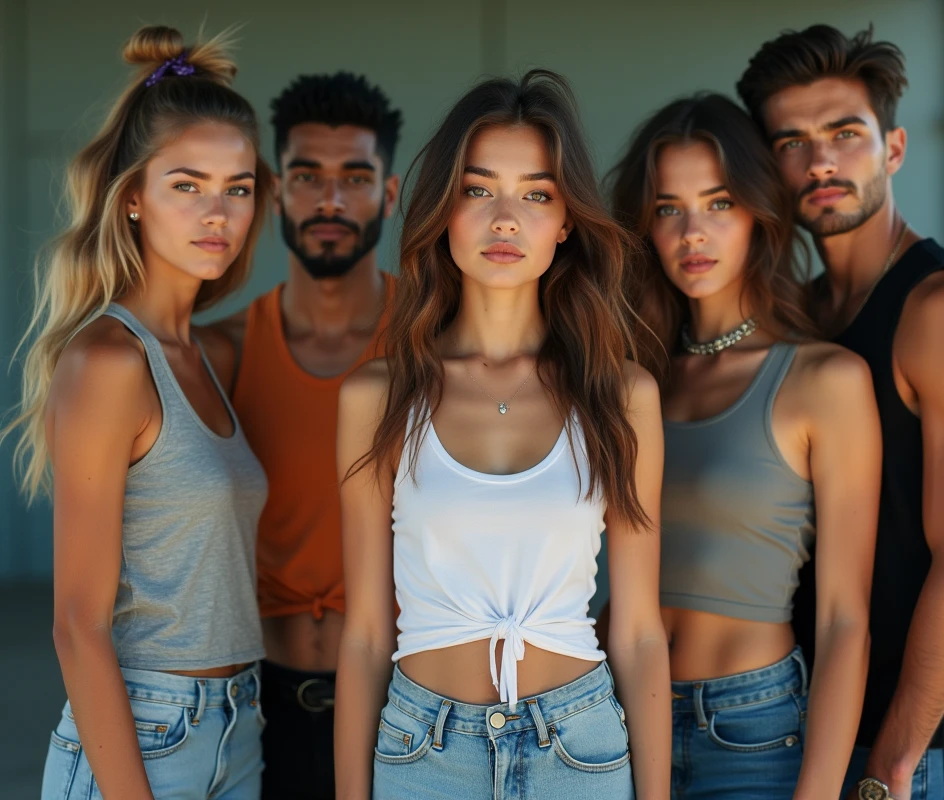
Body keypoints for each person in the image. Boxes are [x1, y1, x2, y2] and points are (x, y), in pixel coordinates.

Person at [333, 70, 671, 799]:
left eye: (537, 194)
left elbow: (640, 630)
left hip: (578, 748)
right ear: (443, 210)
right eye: (479, 189)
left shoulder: (621, 395)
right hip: (424, 752)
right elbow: (365, 631)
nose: (506, 218)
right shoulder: (378, 396)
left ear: (567, 219)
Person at [738, 25, 944, 800]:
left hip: (903, 743)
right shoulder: (804, 310)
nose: (820, 161)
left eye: (844, 134)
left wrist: (889, 769)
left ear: (892, 149)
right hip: (806, 717)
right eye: (791, 142)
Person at [2, 26, 273, 798]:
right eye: (186, 184)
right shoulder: (109, 363)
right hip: (146, 734)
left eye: (240, 186)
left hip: (238, 728)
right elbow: (76, 625)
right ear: (132, 199)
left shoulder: (208, 358)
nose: (216, 211)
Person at [608, 93, 880, 799]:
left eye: (719, 203)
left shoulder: (824, 379)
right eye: (669, 209)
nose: (692, 232)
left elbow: (845, 618)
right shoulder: (631, 379)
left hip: (753, 730)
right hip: (612, 718)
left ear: (760, 214)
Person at [207, 71, 401, 799]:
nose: (329, 200)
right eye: (306, 176)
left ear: (388, 193)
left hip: (407, 710)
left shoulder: (434, 342)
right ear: (273, 190)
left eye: (354, 177)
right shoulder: (219, 354)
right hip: (258, 715)